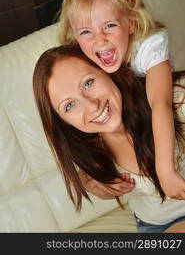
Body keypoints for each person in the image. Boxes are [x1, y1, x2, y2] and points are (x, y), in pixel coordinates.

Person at [57, 0, 185, 199]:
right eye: (86, 31)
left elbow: (160, 103)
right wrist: (93, 182)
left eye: (110, 25)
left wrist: (165, 169)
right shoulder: (85, 61)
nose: (100, 39)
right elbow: (85, 137)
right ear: (74, 36)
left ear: (131, 23)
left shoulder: (149, 47)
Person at [33, 45, 185, 233]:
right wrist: (98, 187)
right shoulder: (92, 151)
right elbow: (99, 183)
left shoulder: (177, 100)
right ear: (64, 122)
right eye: (70, 105)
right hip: (157, 224)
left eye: (88, 83)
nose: (92, 106)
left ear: (106, 71)